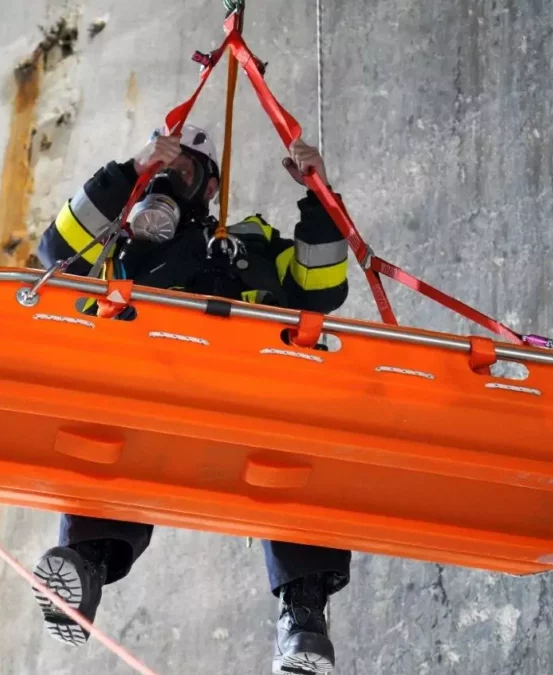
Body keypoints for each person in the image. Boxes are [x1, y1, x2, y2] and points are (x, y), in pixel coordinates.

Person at [32, 124, 350, 675]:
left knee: (297, 446)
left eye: (182, 170)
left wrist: (318, 197)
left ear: (209, 189)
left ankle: (303, 619)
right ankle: (84, 565)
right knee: (107, 426)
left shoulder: (248, 243)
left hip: (248, 399)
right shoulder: (115, 247)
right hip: (147, 396)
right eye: (161, 167)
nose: (167, 179)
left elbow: (323, 288)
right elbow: (53, 253)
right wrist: (127, 174)